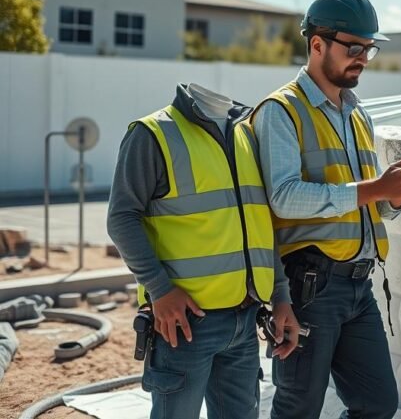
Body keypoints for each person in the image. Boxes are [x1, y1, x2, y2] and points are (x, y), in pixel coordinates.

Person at [253, 0, 401, 419]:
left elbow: (368, 203)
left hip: (359, 284)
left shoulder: (357, 114)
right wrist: (375, 189)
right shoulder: (281, 112)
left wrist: (396, 196)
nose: (362, 58)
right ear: (317, 44)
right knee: (299, 406)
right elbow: (283, 197)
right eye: (353, 47)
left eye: (368, 50)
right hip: (309, 287)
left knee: (377, 404)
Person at [107, 82, 300, 419]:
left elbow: (260, 225)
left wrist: (281, 295)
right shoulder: (152, 134)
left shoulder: (247, 134)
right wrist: (160, 290)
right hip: (186, 324)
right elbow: (121, 218)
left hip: (246, 318)